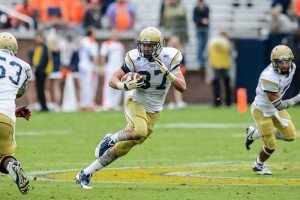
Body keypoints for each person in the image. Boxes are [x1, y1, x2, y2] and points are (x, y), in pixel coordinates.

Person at [75, 27, 186, 189]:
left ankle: (85, 173)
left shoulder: (170, 57)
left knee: (123, 148)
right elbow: (112, 79)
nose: (146, 48)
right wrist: (124, 85)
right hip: (136, 101)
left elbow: (182, 87)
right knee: (139, 131)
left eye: (151, 45)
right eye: (144, 45)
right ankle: (110, 139)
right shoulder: (134, 57)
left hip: (154, 109)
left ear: (160, 45)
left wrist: (168, 72)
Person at [245, 45, 300, 175]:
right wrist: (298, 97)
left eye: (287, 61)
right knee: (271, 145)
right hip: (262, 109)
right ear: (274, 63)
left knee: (291, 135)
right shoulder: (269, 77)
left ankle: (256, 133)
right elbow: (279, 105)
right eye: (281, 62)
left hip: (275, 106)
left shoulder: (293, 67)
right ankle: (258, 165)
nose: (285, 65)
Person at [0, 32, 31, 194]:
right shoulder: (23, 66)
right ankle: (11, 166)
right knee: (3, 156)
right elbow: (16, 92)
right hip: (6, 117)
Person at [99, 30, 125, 111]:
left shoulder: (121, 46)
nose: (116, 36)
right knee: (108, 85)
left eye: (118, 35)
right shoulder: (106, 44)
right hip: (109, 68)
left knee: (119, 85)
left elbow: (123, 57)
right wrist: (102, 67)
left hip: (119, 69)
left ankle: (115, 104)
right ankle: (107, 104)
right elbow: (103, 56)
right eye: (115, 34)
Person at [207, 29, 233, 107]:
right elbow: (232, 53)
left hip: (215, 65)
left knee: (217, 86)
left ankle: (217, 102)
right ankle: (228, 102)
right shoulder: (227, 42)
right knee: (227, 85)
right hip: (226, 65)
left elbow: (207, 53)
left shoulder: (212, 41)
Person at [193, 0, 210, 74]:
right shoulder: (196, 9)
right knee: (200, 44)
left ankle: (203, 61)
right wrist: (201, 20)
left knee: (204, 45)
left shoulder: (206, 8)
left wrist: (201, 20)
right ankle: (201, 62)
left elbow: (207, 18)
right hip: (199, 29)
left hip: (205, 29)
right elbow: (195, 19)